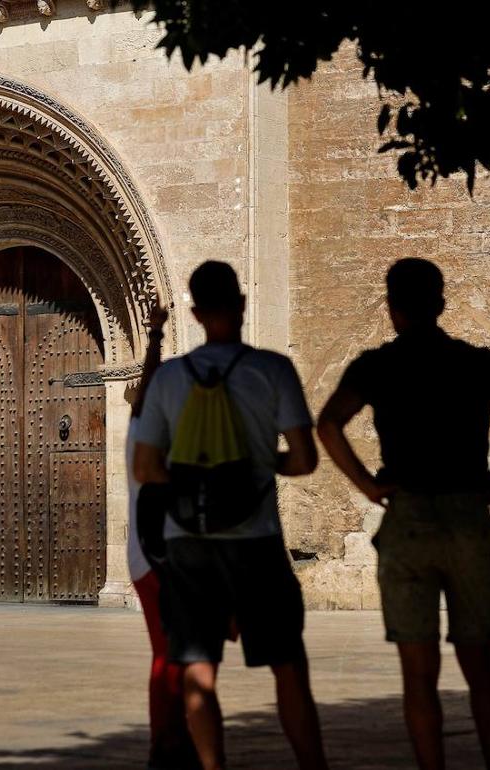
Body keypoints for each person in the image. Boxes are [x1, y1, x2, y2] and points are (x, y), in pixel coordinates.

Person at [316, 258, 490, 770]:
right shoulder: (478, 363)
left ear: (393, 309)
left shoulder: (376, 365)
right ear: (441, 304)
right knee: (480, 667)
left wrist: (367, 484)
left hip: (405, 518)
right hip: (468, 519)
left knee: (418, 672)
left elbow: (329, 424)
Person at [133, 261, 328, 770]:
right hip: (257, 540)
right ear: (241, 304)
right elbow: (306, 461)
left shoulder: (170, 379)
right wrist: (259, 465)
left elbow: (146, 467)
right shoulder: (273, 370)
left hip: (189, 543)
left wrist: (193, 477)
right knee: (288, 667)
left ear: (195, 313)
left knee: (199, 668)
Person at [127, 305, 202, 770]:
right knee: (174, 653)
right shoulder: (154, 437)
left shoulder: (140, 429)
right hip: (162, 555)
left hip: (147, 555)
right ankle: (168, 741)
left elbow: (147, 385)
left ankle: (171, 738)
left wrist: (154, 337)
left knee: (172, 651)